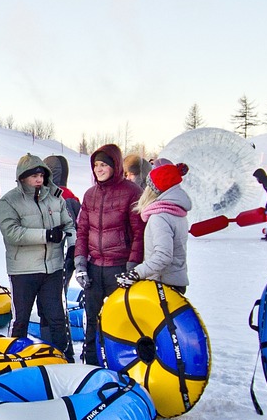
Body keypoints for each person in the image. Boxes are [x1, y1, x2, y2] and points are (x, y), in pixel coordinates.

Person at [0, 154, 76, 360]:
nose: (38, 179)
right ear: (22, 178)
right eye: (33, 176)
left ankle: (60, 357)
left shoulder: (55, 198)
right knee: (20, 320)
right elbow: (12, 232)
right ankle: (14, 360)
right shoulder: (9, 201)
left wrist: (73, 246)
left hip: (52, 268)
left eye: (41, 175)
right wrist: (47, 235)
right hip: (23, 270)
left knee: (56, 318)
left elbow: (69, 225)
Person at [74, 144, 144, 366]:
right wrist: (80, 264)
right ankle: (91, 363)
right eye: (96, 165)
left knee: (122, 318)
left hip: (119, 266)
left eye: (104, 165)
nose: (99, 169)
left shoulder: (132, 192)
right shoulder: (90, 194)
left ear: (116, 165)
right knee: (92, 318)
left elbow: (138, 233)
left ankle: (123, 365)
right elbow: (82, 231)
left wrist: (132, 266)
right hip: (95, 266)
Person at [119, 161, 191, 292]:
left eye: (149, 186)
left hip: (163, 284)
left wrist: (136, 273)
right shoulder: (177, 211)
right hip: (174, 281)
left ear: (155, 190)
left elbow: (163, 256)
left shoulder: (160, 217)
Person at [44, 154, 81, 293]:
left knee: (54, 291)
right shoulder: (71, 196)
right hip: (69, 250)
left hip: (59, 251)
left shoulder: (55, 196)